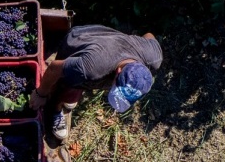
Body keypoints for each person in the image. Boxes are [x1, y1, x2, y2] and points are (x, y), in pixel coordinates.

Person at [31, 25, 162, 141]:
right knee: (66, 83)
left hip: (104, 41)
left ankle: (70, 95)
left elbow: (149, 36)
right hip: (77, 40)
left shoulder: (154, 57)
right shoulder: (92, 68)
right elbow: (54, 68)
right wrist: (40, 94)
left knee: (81, 81)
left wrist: (134, 43)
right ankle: (55, 108)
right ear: (119, 70)